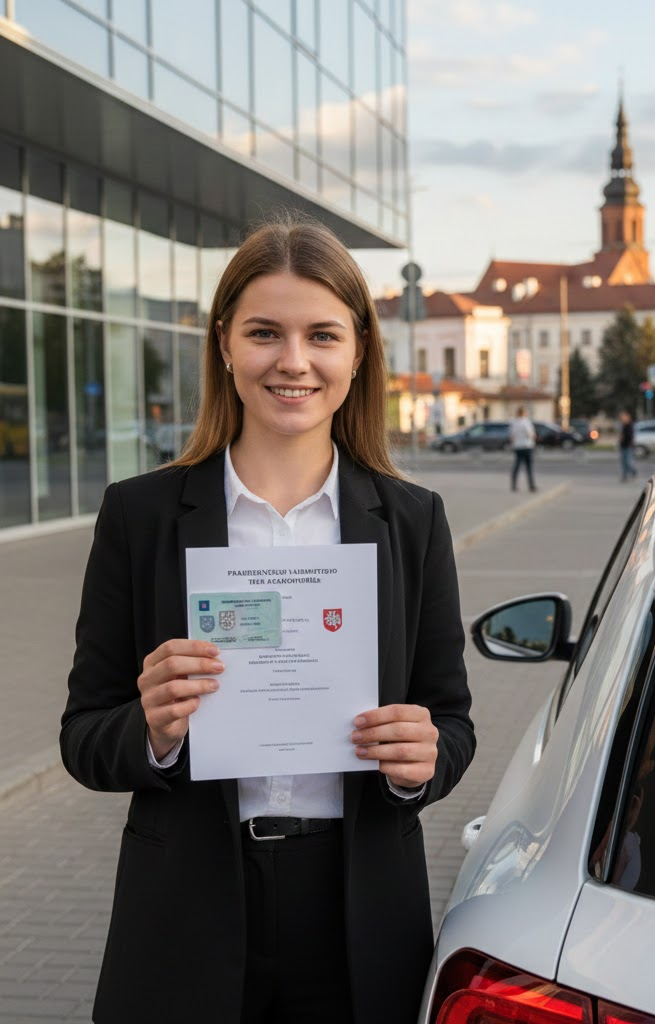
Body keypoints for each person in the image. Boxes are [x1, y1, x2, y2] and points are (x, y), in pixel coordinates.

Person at [60, 216, 475, 1024]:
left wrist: (417, 761)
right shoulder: (141, 517)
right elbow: (84, 737)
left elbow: (451, 724)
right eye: (264, 333)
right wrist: (154, 730)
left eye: (321, 334)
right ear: (224, 345)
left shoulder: (412, 520)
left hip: (357, 913)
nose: (293, 361)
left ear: (358, 351)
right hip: (187, 910)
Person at [509, 405, 537, 492]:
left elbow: (512, 436)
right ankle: (531, 486)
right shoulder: (526, 422)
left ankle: (513, 485)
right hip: (527, 446)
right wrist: (534, 438)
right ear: (524, 413)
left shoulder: (514, 423)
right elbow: (531, 434)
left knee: (516, 466)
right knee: (528, 467)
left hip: (517, 447)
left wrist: (513, 445)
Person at [618, 409, 637, 482]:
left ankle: (633, 471)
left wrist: (630, 443)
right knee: (623, 462)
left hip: (628, 446)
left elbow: (630, 436)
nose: (622, 418)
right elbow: (621, 435)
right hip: (623, 445)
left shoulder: (629, 425)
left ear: (627, 417)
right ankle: (624, 476)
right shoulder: (623, 425)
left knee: (628, 462)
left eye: (623, 416)